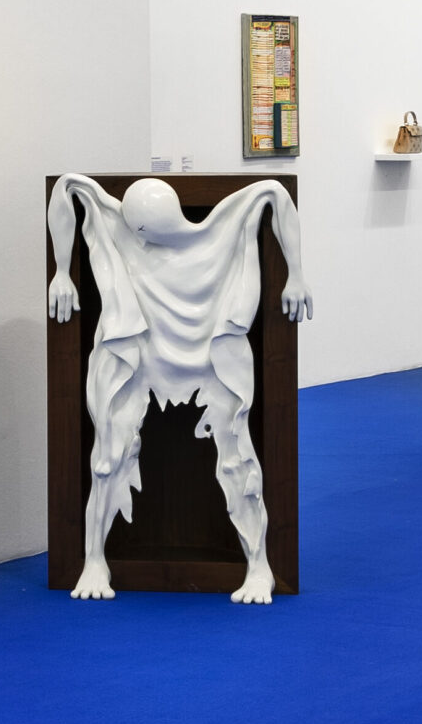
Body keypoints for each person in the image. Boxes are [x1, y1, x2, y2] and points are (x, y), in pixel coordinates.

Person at [47, 175, 312, 604]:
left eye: (142, 230)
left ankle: (259, 565)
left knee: (238, 455)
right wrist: (62, 271)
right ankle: (93, 559)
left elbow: (276, 194)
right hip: (140, 350)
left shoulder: (219, 229)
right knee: (108, 454)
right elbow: (67, 187)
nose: (139, 238)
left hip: (213, 352)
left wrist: (295, 275)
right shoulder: (129, 227)